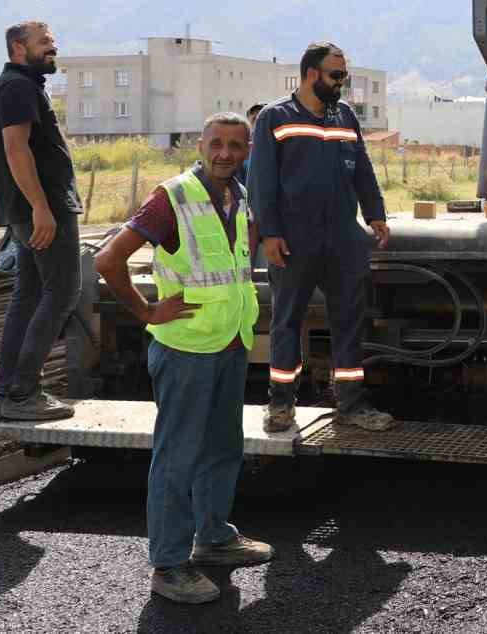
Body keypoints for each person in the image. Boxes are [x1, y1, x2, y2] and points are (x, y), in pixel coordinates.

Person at [93, 113, 274, 605]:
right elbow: (108, 260)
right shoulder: (172, 197)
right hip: (186, 348)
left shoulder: (239, 196)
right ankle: (169, 565)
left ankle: (213, 537)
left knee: (223, 445)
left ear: (248, 149)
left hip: (230, 341)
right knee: (178, 456)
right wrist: (147, 310)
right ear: (200, 145)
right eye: (217, 143)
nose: (226, 153)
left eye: (237, 145)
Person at [250, 42, 394, 433]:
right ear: (311, 74)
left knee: (349, 320)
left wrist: (375, 213)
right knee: (286, 321)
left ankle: (351, 404)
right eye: (336, 75)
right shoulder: (275, 118)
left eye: (343, 75)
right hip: (295, 239)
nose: (341, 83)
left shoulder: (345, 116)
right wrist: (270, 233)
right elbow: (261, 181)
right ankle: (281, 404)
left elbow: (361, 166)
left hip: (344, 236)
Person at [0, 21, 83, 422]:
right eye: (44, 42)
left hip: (29, 211)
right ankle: (23, 394)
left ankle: (10, 391)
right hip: (42, 212)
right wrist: (40, 207)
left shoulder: (18, 86)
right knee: (62, 291)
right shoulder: (18, 88)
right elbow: (14, 148)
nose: (52, 48)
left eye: (53, 41)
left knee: (27, 298)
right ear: (17, 48)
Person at [237, 102, 264, 187]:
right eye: (254, 118)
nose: (257, 121)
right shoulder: (241, 146)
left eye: (262, 117)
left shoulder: (281, 145)